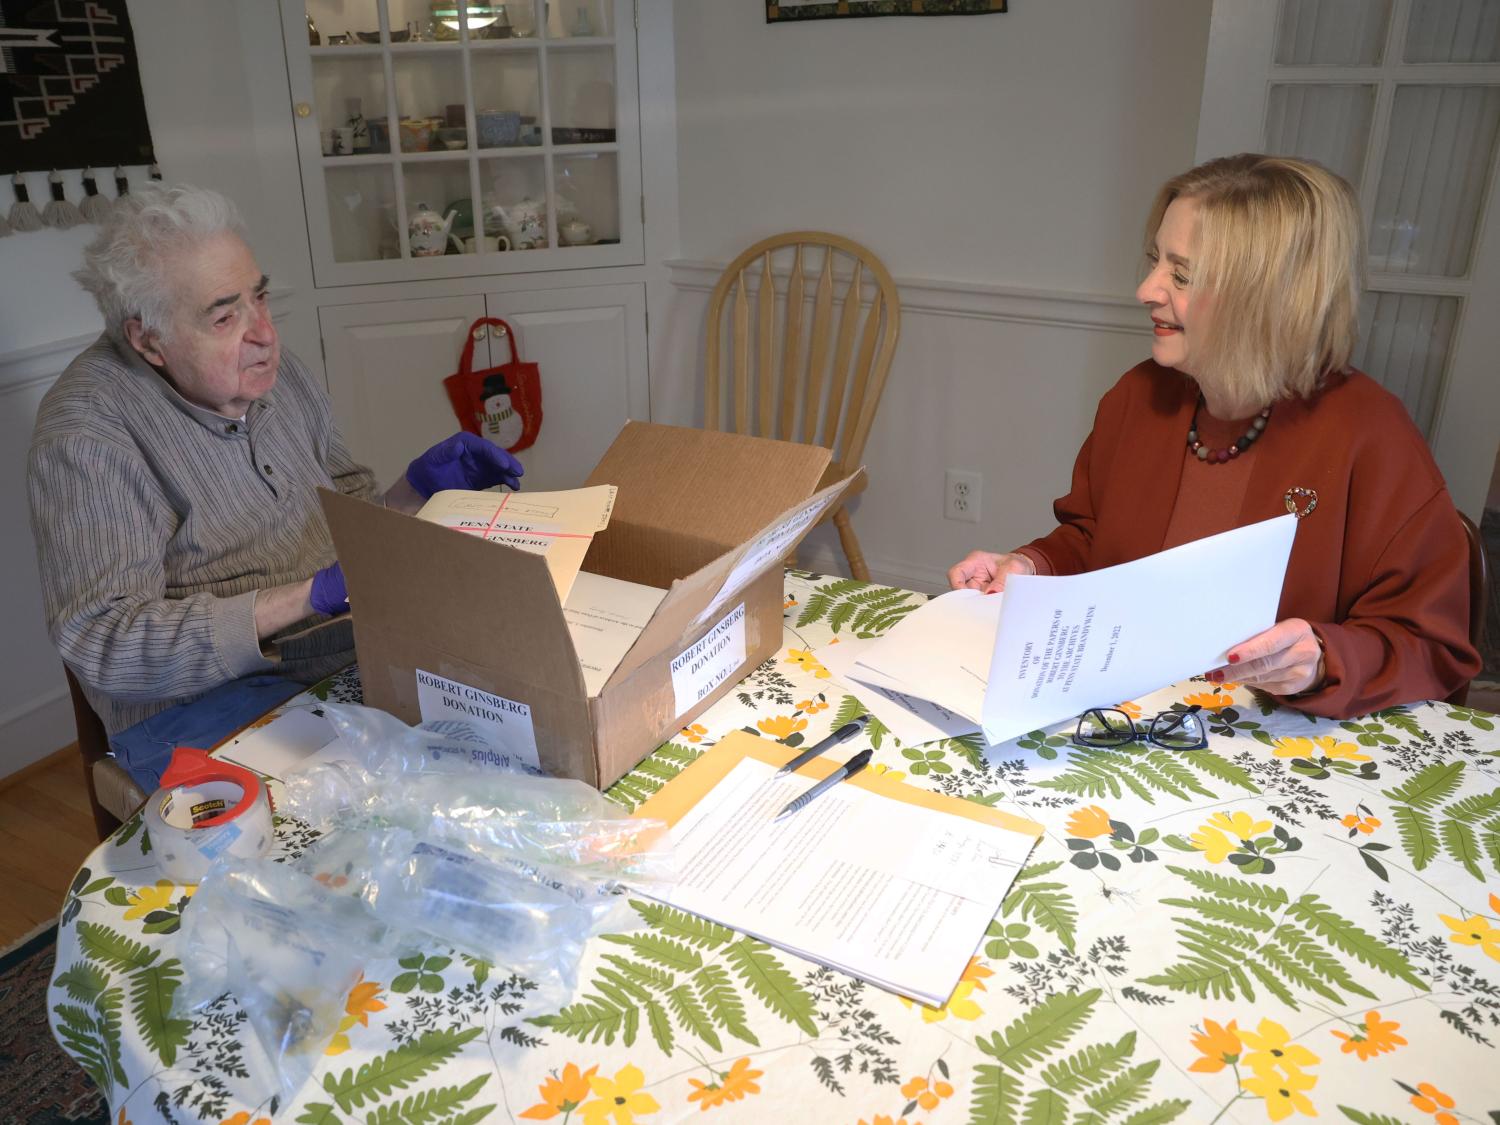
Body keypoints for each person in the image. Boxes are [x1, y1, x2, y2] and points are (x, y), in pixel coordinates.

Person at [947, 154, 1479, 718]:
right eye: (1155, 261)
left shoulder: (1371, 434)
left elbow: (1432, 645)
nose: (1146, 290)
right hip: (1129, 715)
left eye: (1182, 275)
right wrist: (1030, 567)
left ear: (1268, 295)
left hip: (1270, 743)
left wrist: (1323, 660)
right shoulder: (1137, 397)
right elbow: (1093, 540)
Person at [27, 182, 523, 787]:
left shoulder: (271, 374)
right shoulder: (87, 436)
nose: (263, 333)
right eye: (224, 316)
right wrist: (309, 596)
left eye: (259, 297)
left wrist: (414, 493)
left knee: (516, 729)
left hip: (340, 651)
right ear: (148, 340)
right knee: (401, 806)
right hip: (204, 710)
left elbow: (345, 518)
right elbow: (107, 645)